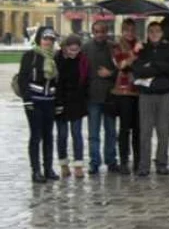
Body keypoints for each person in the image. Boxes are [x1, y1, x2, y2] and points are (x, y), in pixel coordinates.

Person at [133, 22, 169, 176]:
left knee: (163, 131)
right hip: (146, 95)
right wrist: (159, 69)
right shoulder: (142, 50)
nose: (154, 34)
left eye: (157, 31)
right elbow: (138, 71)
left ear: (162, 33)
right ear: (147, 33)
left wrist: (154, 65)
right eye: (151, 31)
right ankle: (144, 165)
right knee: (145, 132)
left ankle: (162, 163)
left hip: (165, 94)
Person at [18, 27, 60, 183]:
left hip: (49, 101)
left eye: (51, 39)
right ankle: (36, 171)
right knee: (36, 136)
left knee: (48, 136)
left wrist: (58, 102)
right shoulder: (30, 56)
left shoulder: (54, 57)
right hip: (34, 100)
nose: (48, 42)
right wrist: (27, 99)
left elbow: (58, 82)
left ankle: (48, 168)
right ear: (39, 39)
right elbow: (23, 79)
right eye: (45, 38)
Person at [82, 21, 118, 174]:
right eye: (96, 31)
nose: (99, 34)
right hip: (92, 95)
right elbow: (81, 71)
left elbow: (124, 69)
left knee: (111, 132)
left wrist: (111, 73)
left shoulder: (113, 47)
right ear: (92, 32)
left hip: (110, 95)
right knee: (93, 133)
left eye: (102, 31)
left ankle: (111, 160)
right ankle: (94, 162)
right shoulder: (86, 48)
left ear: (107, 31)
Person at [54, 34, 89, 178]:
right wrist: (57, 102)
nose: (74, 53)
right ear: (65, 48)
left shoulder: (83, 60)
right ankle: (63, 165)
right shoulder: (57, 59)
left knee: (77, 134)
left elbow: (85, 81)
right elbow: (55, 82)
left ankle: (79, 165)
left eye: (76, 50)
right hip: (60, 101)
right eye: (71, 50)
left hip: (77, 102)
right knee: (62, 135)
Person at [111, 18, 143, 175]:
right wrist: (134, 53)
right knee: (124, 128)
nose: (130, 33)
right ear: (122, 31)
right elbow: (121, 65)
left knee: (138, 128)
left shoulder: (141, 44)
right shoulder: (117, 46)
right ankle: (124, 160)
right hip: (123, 91)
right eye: (126, 30)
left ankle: (138, 160)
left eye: (132, 30)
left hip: (139, 90)